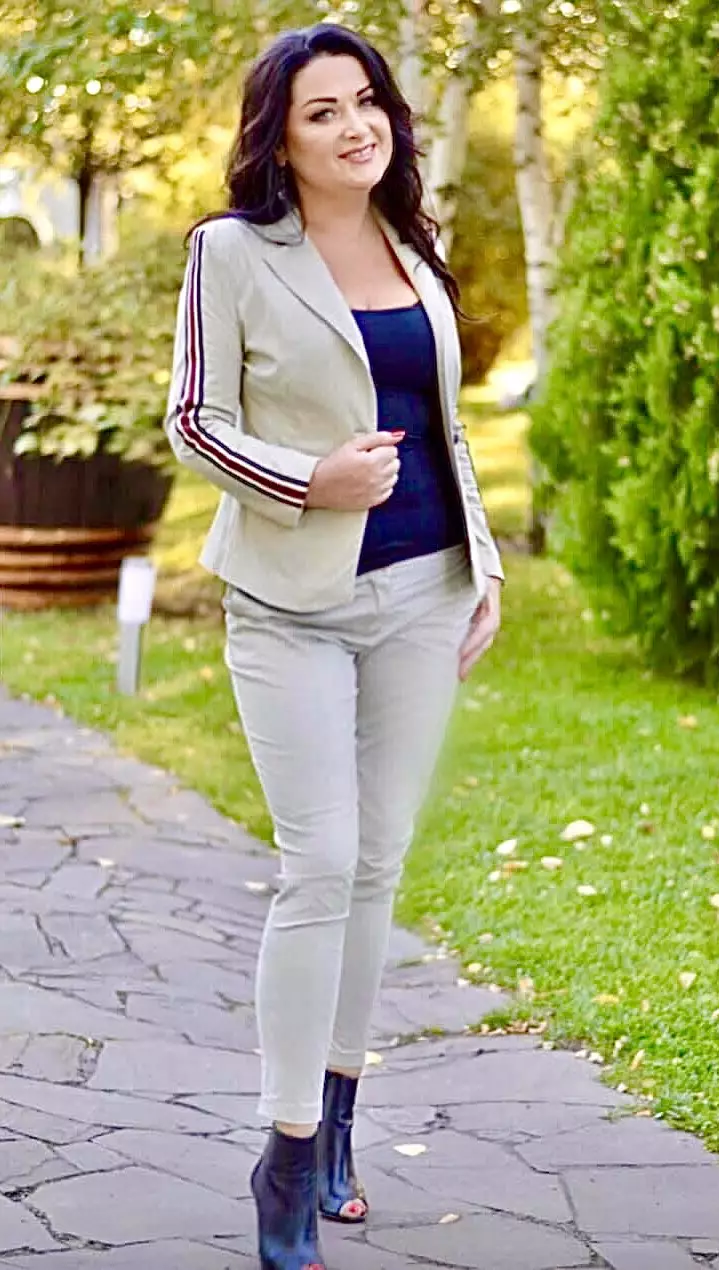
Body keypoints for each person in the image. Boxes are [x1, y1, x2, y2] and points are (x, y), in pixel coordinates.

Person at [164, 22, 503, 1270]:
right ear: (280, 137)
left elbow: (442, 424)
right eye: (323, 111)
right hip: (289, 602)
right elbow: (194, 418)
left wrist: (484, 565)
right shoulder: (231, 252)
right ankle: (288, 1152)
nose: (356, 125)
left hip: (423, 590)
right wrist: (309, 479)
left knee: (379, 865)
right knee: (320, 864)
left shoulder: (412, 238)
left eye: (367, 101)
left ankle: (343, 1118)